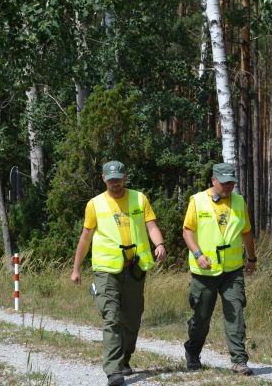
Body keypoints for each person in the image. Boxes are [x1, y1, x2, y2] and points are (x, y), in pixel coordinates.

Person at [70, 160, 167, 386]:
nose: (115, 184)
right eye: (111, 180)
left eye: (119, 179)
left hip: (135, 268)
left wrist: (160, 244)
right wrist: (76, 269)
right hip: (106, 269)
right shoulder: (94, 204)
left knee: (132, 319)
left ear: (125, 177)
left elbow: (151, 225)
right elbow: (85, 237)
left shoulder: (139, 198)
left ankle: (124, 358)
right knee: (111, 317)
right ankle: (114, 371)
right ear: (104, 178)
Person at [182, 162, 257, 375]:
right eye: (224, 183)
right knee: (201, 317)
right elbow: (187, 232)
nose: (229, 187)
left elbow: (246, 232)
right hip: (204, 271)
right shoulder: (197, 201)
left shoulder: (239, 201)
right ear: (213, 180)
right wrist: (198, 254)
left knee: (235, 314)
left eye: (232, 183)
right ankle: (193, 351)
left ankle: (239, 361)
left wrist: (251, 258)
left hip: (232, 271)